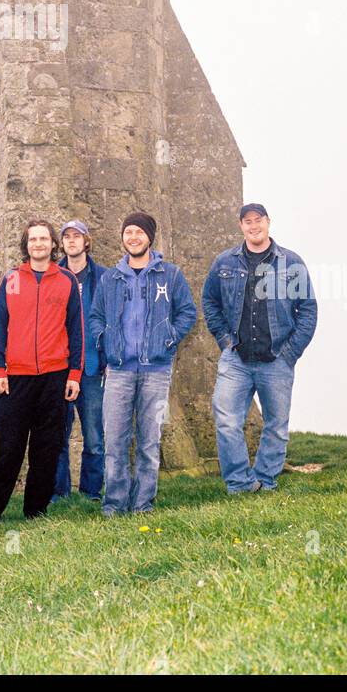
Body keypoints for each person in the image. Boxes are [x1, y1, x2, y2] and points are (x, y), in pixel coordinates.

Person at [0, 219, 83, 525]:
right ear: (26, 245)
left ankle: (36, 511)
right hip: (15, 378)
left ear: (52, 244)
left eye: (44, 239)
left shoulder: (66, 281)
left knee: (47, 448)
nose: (38, 244)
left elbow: (76, 331)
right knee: (6, 447)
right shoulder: (10, 280)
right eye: (33, 239)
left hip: (54, 376)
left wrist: (74, 374)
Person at [202, 203, 318, 494]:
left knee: (276, 426)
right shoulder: (225, 263)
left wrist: (290, 353)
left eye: (259, 220)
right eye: (247, 222)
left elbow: (308, 310)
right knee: (226, 420)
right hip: (236, 360)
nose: (254, 226)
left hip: (277, 360)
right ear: (241, 226)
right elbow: (210, 303)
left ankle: (265, 481)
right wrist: (225, 341)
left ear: (268, 222)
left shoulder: (291, 263)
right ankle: (240, 483)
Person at [89, 212, 197, 516]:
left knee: (150, 442)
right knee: (115, 442)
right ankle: (114, 506)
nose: (133, 237)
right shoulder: (110, 278)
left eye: (139, 232)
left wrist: (169, 337)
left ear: (149, 237)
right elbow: (96, 316)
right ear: (122, 237)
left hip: (156, 371)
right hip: (119, 370)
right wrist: (105, 340)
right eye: (128, 232)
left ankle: (142, 505)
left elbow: (187, 312)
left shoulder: (170, 275)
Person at [52, 220, 106, 502]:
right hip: (60, 367)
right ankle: (59, 492)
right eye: (67, 237)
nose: (72, 241)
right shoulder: (52, 276)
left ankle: (91, 492)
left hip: (93, 367)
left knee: (94, 436)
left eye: (77, 236)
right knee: (58, 434)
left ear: (87, 241)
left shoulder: (103, 278)